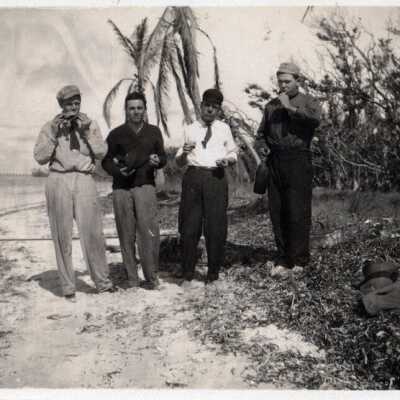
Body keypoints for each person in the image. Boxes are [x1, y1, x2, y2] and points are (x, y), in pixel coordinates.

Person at [33, 85, 115, 302]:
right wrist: (53, 131)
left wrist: (87, 130)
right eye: (69, 103)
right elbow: (40, 157)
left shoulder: (90, 123)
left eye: (77, 102)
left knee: (93, 232)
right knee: (62, 234)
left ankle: (103, 282)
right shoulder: (49, 127)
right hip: (58, 179)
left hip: (84, 178)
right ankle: (68, 286)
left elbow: (101, 152)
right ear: (61, 105)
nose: (74, 107)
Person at [256, 62, 322, 278]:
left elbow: (314, 121)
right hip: (275, 160)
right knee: (278, 211)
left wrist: (290, 108)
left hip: (298, 159)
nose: (283, 85)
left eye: (287, 81)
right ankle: (284, 258)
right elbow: (260, 134)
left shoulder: (308, 102)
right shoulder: (270, 106)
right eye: (280, 81)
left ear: (297, 81)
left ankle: (299, 261)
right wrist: (264, 147)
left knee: (298, 211)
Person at [102, 91, 166, 290]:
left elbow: (163, 157)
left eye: (139, 108)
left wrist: (158, 161)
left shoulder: (154, 132)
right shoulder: (115, 134)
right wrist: (117, 171)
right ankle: (132, 278)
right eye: (132, 108)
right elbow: (105, 161)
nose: (136, 112)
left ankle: (151, 277)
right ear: (126, 110)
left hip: (145, 185)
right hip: (121, 188)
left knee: (149, 232)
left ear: (145, 109)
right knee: (125, 233)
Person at [176, 88, 238, 284]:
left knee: (216, 226)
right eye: (207, 106)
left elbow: (233, 153)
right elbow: (178, 161)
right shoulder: (190, 128)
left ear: (219, 110)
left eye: (215, 107)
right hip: (193, 177)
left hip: (216, 177)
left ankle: (213, 273)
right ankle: (187, 271)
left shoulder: (224, 129)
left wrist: (227, 161)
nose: (210, 110)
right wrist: (184, 153)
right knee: (189, 225)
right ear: (200, 107)